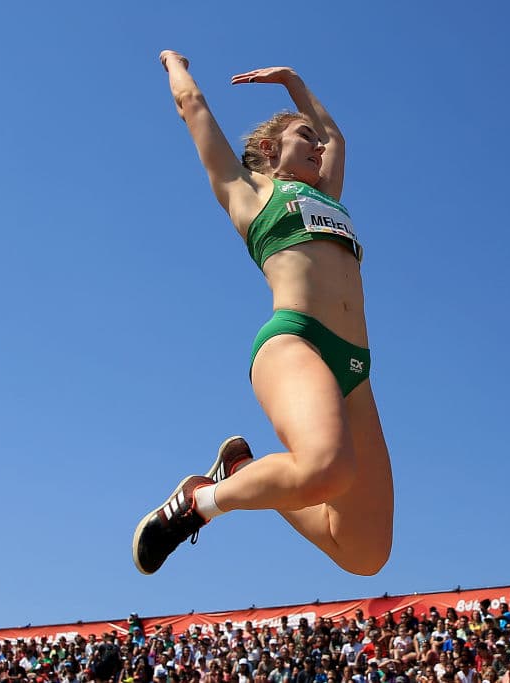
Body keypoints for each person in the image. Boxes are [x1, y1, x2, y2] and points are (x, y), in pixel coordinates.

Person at [131, 53, 394, 577]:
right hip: (297, 343)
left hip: (355, 369)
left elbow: (337, 138)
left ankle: (244, 472)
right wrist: (172, 61)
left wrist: (294, 81)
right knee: (324, 467)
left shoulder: (327, 195)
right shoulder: (249, 191)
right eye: (304, 137)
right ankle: (199, 503)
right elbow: (193, 105)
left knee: (365, 552)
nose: (318, 147)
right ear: (271, 148)